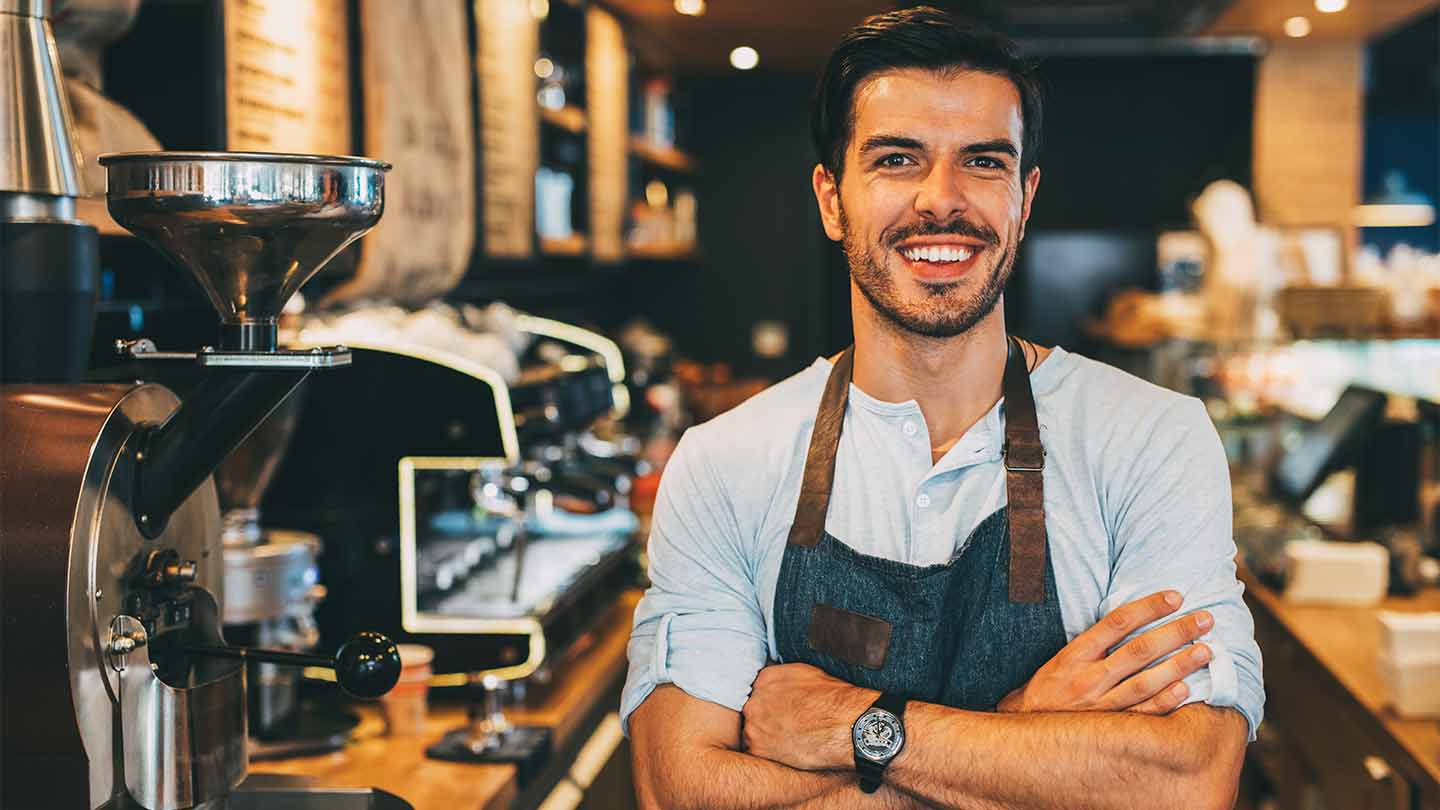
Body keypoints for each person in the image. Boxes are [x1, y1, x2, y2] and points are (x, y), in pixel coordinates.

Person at [622, 7, 1264, 809]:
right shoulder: (725, 462)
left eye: (984, 162)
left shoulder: (1150, 439)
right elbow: (679, 790)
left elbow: (1187, 781)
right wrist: (1025, 730)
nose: (942, 200)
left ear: (1023, 199)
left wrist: (854, 726)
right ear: (831, 199)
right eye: (897, 160)